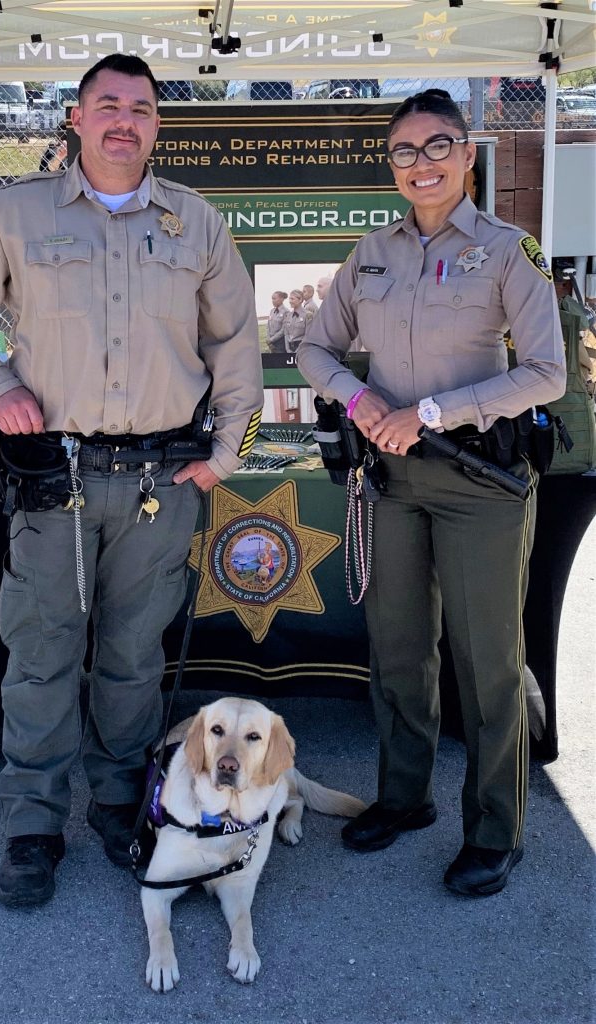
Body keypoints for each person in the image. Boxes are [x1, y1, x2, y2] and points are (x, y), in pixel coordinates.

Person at [0, 53, 263, 909]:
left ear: (155, 125)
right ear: (75, 117)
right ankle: (33, 825)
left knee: (133, 657)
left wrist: (227, 450)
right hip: (54, 481)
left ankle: (117, 803)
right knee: (40, 654)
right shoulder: (17, 213)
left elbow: (235, 346)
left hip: (160, 479)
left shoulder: (194, 223)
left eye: (140, 108)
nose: (123, 120)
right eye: (106, 104)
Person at [297, 89, 566, 898]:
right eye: (406, 151)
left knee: (487, 665)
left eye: (437, 146)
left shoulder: (507, 251)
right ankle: (403, 797)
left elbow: (546, 374)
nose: (422, 164)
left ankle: (495, 829)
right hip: (390, 482)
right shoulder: (371, 252)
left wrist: (432, 413)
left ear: (466, 155)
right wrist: (360, 400)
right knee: (399, 650)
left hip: (480, 482)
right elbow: (314, 347)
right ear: (392, 164)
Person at [283, 289, 309, 354]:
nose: (290, 301)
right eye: (289, 299)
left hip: (301, 348)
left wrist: (297, 351)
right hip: (289, 348)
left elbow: (308, 335)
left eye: (292, 299)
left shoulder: (307, 315)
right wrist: (287, 349)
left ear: (300, 300)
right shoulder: (288, 315)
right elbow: (286, 334)